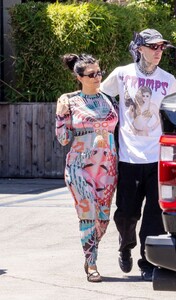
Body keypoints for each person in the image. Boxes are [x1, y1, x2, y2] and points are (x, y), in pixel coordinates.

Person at [100, 28, 176, 281]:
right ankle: (125, 246)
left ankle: (148, 262)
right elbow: (101, 97)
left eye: (161, 47)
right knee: (126, 212)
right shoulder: (122, 74)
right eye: (153, 47)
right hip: (128, 157)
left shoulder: (168, 80)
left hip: (157, 157)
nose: (158, 52)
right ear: (139, 49)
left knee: (154, 214)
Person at [55, 53, 118, 283]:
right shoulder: (70, 100)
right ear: (79, 77)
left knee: (103, 218)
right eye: (91, 74)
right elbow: (62, 138)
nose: (97, 77)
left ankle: (89, 250)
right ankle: (92, 264)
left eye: (99, 72)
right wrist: (61, 114)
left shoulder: (108, 99)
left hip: (107, 166)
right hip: (79, 166)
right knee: (88, 215)